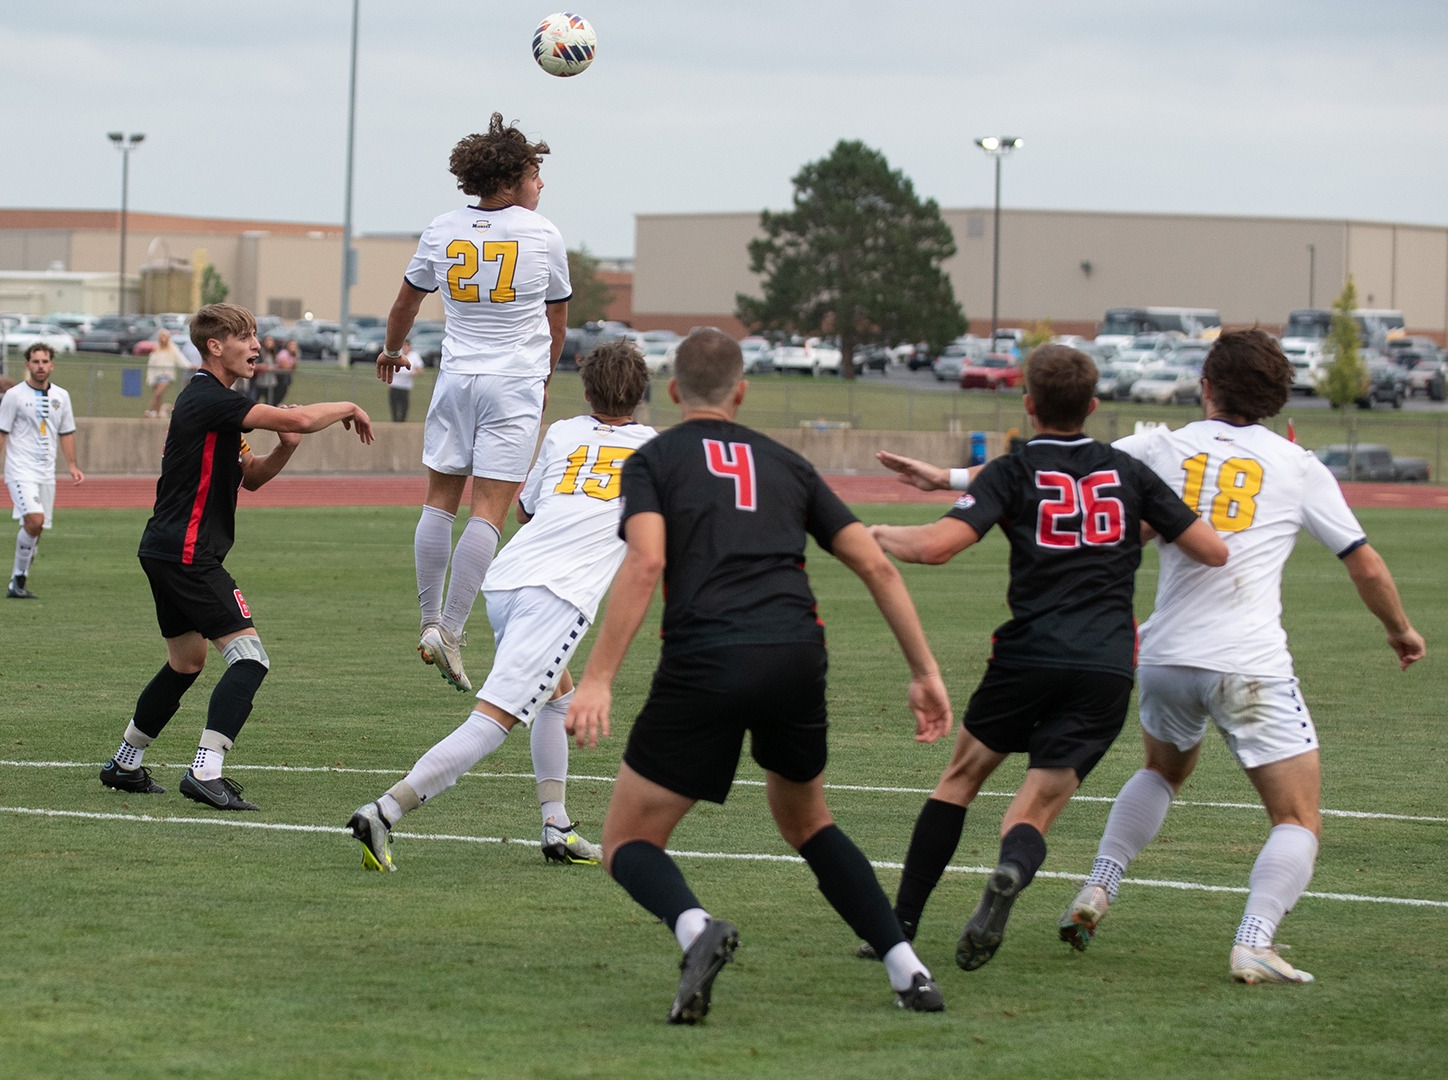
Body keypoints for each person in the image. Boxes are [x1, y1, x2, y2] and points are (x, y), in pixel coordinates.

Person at [879, 329, 1426, 984]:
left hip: (1162, 655)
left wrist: (948, 478)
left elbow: (1061, 466)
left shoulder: (1161, 445)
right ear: (1280, 398)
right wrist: (1399, 628)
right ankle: (1254, 939)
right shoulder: (1298, 466)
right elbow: (1361, 562)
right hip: (1248, 661)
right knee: (1297, 816)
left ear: (1205, 386)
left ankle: (1099, 886)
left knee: (1163, 772)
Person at [563, 329, 955, 1022]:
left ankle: (695, 929)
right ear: (741, 391)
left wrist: (596, 680)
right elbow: (877, 563)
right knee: (808, 822)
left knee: (627, 841)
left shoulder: (655, 459)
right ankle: (909, 970)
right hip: (796, 654)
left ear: (675, 391)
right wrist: (925, 672)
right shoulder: (786, 462)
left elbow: (646, 562)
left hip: (708, 656)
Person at [864, 345, 1226, 974]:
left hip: (1029, 654)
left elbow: (936, 548)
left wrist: (875, 536)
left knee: (960, 780)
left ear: (1028, 405)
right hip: (1107, 666)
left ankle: (899, 925)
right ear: (1092, 406)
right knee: (1032, 808)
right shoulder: (1128, 473)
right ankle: (1011, 868)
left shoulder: (1013, 470)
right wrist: (1141, 524)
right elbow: (1211, 551)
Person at [350, 341, 654, 872]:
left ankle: (556, 826)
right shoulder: (655, 447)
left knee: (558, 697)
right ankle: (383, 810)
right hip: (558, 596)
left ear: (585, 390)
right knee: (494, 721)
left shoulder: (562, 432)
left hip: (509, 578)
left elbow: (525, 511)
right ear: (643, 392)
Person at [97, 303, 374, 810]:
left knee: (186, 662)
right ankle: (206, 770)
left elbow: (252, 477)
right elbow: (306, 418)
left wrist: (286, 448)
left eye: (255, 336)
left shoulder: (218, 407)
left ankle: (125, 762)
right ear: (214, 347)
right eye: (245, 337)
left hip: (166, 548)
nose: (256, 346)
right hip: (187, 552)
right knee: (251, 658)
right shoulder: (208, 397)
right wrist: (349, 405)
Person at [379, 112, 571, 695]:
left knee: (438, 501)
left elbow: (404, 306)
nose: (541, 186)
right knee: (489, 509)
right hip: (512, 382)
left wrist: (391, 351)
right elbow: (556, 322)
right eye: (536, 175)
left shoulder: (441, 228)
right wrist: (541, 381)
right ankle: (452, 630)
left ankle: (429, 619)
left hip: (455, 379)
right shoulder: (543, 235)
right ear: (511, 179)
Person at [0, 344, 83, 600]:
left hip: (46, 473)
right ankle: (18, 579)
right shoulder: (14, 395)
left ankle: (19, 581)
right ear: (27, 365)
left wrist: (72, 465)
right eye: (35, 361)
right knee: (34, 521)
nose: (40, 365)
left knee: (37, 528)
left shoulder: (62, 396)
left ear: (52, 365)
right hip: (20, 469)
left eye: (44, 361)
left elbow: (66, 432)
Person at [143, 329, 180, 418]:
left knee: (158, 393)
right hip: (156, 375)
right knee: (159, 397)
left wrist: (191, 366)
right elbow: (151, 363)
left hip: (167, 375)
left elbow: (180, 359)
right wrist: (150, 378)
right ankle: (158, 413)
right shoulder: (156, 348)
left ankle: (149, 410)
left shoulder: (173, 348)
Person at [386, 343, 423, 422]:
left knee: (404, 405)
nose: (405, 348)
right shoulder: (397, 355)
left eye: (406, 346)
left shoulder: (414, 356)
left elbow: (420, 368)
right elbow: (390, 368)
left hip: (405, 385)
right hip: (395, 384)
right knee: (394, 405)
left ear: (410, 347)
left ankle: (402, 422)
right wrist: (389, 382)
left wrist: (414, 373)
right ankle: (394, 422)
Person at [271, 337, 297, 406]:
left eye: (294, 345)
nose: (293, 347)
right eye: (291, 345)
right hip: (280, 377)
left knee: (283, 393)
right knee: (277, 394)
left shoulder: (292, 355)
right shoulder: (283, 353)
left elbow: (294, 368)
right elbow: (285, 367)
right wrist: (290, 367)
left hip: (286, 378)